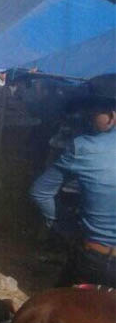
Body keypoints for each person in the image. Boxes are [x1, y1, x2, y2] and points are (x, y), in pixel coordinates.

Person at [30, 89, 116, 287]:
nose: (88, 118)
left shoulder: (83, 147)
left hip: (96, 259)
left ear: (111, 117)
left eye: (93, 113)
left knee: (57, 306)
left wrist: (66, 226)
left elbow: (40, 192)